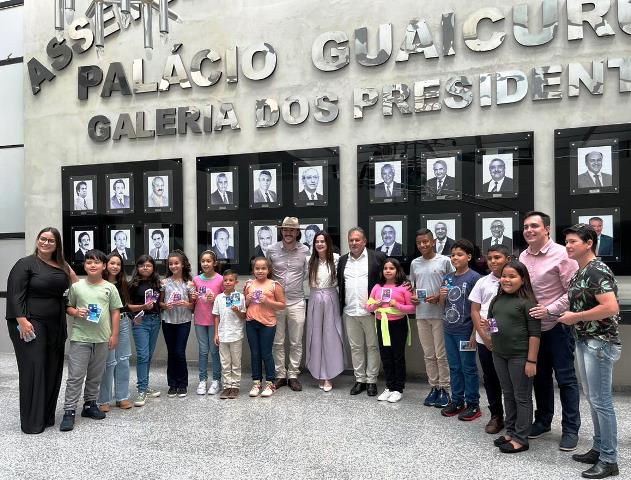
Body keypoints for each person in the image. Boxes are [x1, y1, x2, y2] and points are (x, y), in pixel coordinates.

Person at [559, 224, 622, 479]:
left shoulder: (597, 270)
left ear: (589, 243)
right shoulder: (581, 271)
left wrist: (577, 317)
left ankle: (609, 459)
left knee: (602, 402)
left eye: (573, 241)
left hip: (599, 342)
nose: (568, 245)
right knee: (594, 399)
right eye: (566, 241)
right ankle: (598, 448)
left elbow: (611, 307)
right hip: (585, 339)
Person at [519, 211, 580, 451]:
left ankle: (571, 430)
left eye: (534, 226)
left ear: (546, 229)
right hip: (533, 329)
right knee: (539, 378)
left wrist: (550, 309)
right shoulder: (523, 256)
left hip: (558, 326)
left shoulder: (563, 254)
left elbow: (573, 292)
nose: (529, 230)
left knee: (566, 380)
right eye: (525, 227)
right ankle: (543, 421)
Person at [6, 227, 75, 434]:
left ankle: (45, 416)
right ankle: (32, 423)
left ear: (57, 245)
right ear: (37, 240)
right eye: (43, 239)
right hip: (30, 324)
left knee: (53, 368)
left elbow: (74, 285)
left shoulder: (61, 265)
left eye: (51, 241)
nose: (46, 243)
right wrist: (22, 320)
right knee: (34, 368)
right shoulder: (25, 264)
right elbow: (15, 293)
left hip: (56, 324)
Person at [60, 249, 123, 431]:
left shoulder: (110, 288)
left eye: (96, 262)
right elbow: (68, 307)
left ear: (104, 266)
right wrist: (75, 312)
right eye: (89, 262)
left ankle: (89, 405)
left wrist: (114, 335)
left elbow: (115, 311)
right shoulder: (77, 286)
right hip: (80, 338)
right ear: (85, 265)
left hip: (102, 338)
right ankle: (69, 411)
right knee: (75, 376)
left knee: (96, 375)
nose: (92, 265)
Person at [488, 260, 541, 453]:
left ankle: (521, 438)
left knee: (522, 397)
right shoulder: (497, 299)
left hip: (520, 357)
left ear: (523, 279)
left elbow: (535, 334)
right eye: (504, 276)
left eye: (512, 276)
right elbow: (492, 321)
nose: (507, 280)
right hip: (499, 354)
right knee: (508, 394)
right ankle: (511, 431)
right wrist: (492, 332)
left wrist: (531, 361)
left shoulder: (528, 302)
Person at [337, 227, 385, 397]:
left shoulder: (377, 257)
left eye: (357, 240)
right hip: (350, 311)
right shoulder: (343, 261)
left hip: (371, 312)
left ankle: (372, 380)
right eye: (351, 240)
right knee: (356, 347)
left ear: (364, 241)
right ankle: (360, 380)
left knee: (373, 347)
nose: (354, 243)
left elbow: (389, 277)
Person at [410, 228, 454, 408]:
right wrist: (413, 296)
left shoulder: (445, 261)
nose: (422, 245)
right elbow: (413, 286)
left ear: (433, 241)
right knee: (428, 355)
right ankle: (434, 387)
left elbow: (453, 284)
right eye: (419, 243)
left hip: (440, 314)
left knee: (441, 355)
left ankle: (445, 388)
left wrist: (440, 297)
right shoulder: (414, 263)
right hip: (422, 315)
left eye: (426, 242)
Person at [439, 239, 482, 421]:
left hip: (466, 331)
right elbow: (443, 305)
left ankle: (473, 404)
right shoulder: (448, 277)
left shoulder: (475, 278)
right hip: (449, 329)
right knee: (454, 367)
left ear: (469, 257)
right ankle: (457, 401)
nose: (455, 258)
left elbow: (477, 308)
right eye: (452, 255)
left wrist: (474, 333)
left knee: (468, 368)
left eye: (459, 254)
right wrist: (442, 296)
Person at [469, 245, 510, 434]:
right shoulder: (482, 282)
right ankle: (496, 416)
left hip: (509, 339)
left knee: (510, 379)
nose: (493, 261)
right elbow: (475, 310)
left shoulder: (514, 281)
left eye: (498, 257)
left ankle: (514, 416)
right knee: (491, 377)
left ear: (508, 258)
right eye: (490, 257)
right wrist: (485, 338)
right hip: (485, 339)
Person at [266, 217, 309, 391]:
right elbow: (266, 272)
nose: (288, 233)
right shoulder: (271, 249)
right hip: (276, 303)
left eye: (292, 230)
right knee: (277, 341)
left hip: (297, 301)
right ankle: (280, 375)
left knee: (296, 341)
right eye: (285, 229)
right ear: (281, 231)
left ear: (297, 232)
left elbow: (306, 273)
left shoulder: (305, 250)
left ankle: (293, 374)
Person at [366, 258, 415, 403]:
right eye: (385, 268)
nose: (388, 271)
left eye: (391, 268)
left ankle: (398, 389)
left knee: (397, 356)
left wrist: (398, 305)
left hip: (398, 324)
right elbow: (368, 307)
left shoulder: (404, 287)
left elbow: (412, 308)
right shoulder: (377, 287)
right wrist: (377, 305)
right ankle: (389, 386)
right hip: (382, 323)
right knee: (385, 356)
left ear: (397, 270)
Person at [305, 231, 344, 392]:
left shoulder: (336, 259)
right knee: (315, 336)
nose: (320, 244)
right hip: (315, 298)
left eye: (323, 241)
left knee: (331, 335)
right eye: (317, 242)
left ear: (328, 243)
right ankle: (318, 373)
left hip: (330, 297)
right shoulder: (309, 260)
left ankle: (329, 375)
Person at [244, 257, 286, 397]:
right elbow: (244, 304)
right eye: (257, 268)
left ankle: (270, 383)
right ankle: (256, 383)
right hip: (251, 322)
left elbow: (282, 305)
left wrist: (267, 301)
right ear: (253, 270)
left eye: (263, 268)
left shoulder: (274, 285)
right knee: (255, 354)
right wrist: (247, 300)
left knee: (266, 353)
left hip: (268, 323)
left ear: (268, 270)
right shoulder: (249, 284)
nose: (260, 271)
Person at [97, 253, 133, 412]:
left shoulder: (124, 284)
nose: (115, 267)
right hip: (105, 324)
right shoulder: (99, 283)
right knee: (108, 362)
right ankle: (104, 399)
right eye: (112, 263)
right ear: (105, 265)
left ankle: (122, 397)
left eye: (118, 264)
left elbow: (126, 306)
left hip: (123, 322)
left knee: (123, 360)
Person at [127, 255, 162, 406]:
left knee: (148, 355)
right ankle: (141, 390)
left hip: (155, 320)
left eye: (148, 265)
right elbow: (126, 306)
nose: (145, 268)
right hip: (140, 321)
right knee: (142, 355)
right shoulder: (132, 285)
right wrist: (142, 308)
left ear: (153, 267)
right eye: (142, 265)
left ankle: (145, 386)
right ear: (138, 268)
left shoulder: (157, 284)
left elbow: (159, 303)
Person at [160, 250, 194, 398]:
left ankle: (182, 383)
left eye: (176, 263)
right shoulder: (164, 283)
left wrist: (186, 303)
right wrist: (164, 306)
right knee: (171, 352)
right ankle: (172, 384)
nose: (174, 266)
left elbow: (193, 306)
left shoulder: (189, 283)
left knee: (180, 352)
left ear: (183, 264)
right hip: (168, 320)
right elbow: (159, 302)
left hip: (183, 321)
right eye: (171, 264)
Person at [192, 250, 224, 396]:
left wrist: (216, 297)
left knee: (214, 351)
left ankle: (217, 380)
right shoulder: (196, 280)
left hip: (214, 321)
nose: (205, 263)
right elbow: (193, 300)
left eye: (208, 261)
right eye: (203, 261)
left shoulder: (220, 279)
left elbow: (226, 298)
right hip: (199, 319)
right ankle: (203, 379)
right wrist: (191, 296)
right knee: (203, 351)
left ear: (214, 263)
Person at [213, 270, 247, 399]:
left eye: (230, 280)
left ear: (236, 282)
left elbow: (243, 316)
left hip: (236, 335)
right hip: (223, 335)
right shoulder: (219, 298)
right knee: (225, 362)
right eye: (225, 280)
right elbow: (216, 316)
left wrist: (237, 310)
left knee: (236, 362)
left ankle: (235, 386)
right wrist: (216, 333)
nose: (228, 282)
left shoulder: (240, 297)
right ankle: (227, 386)